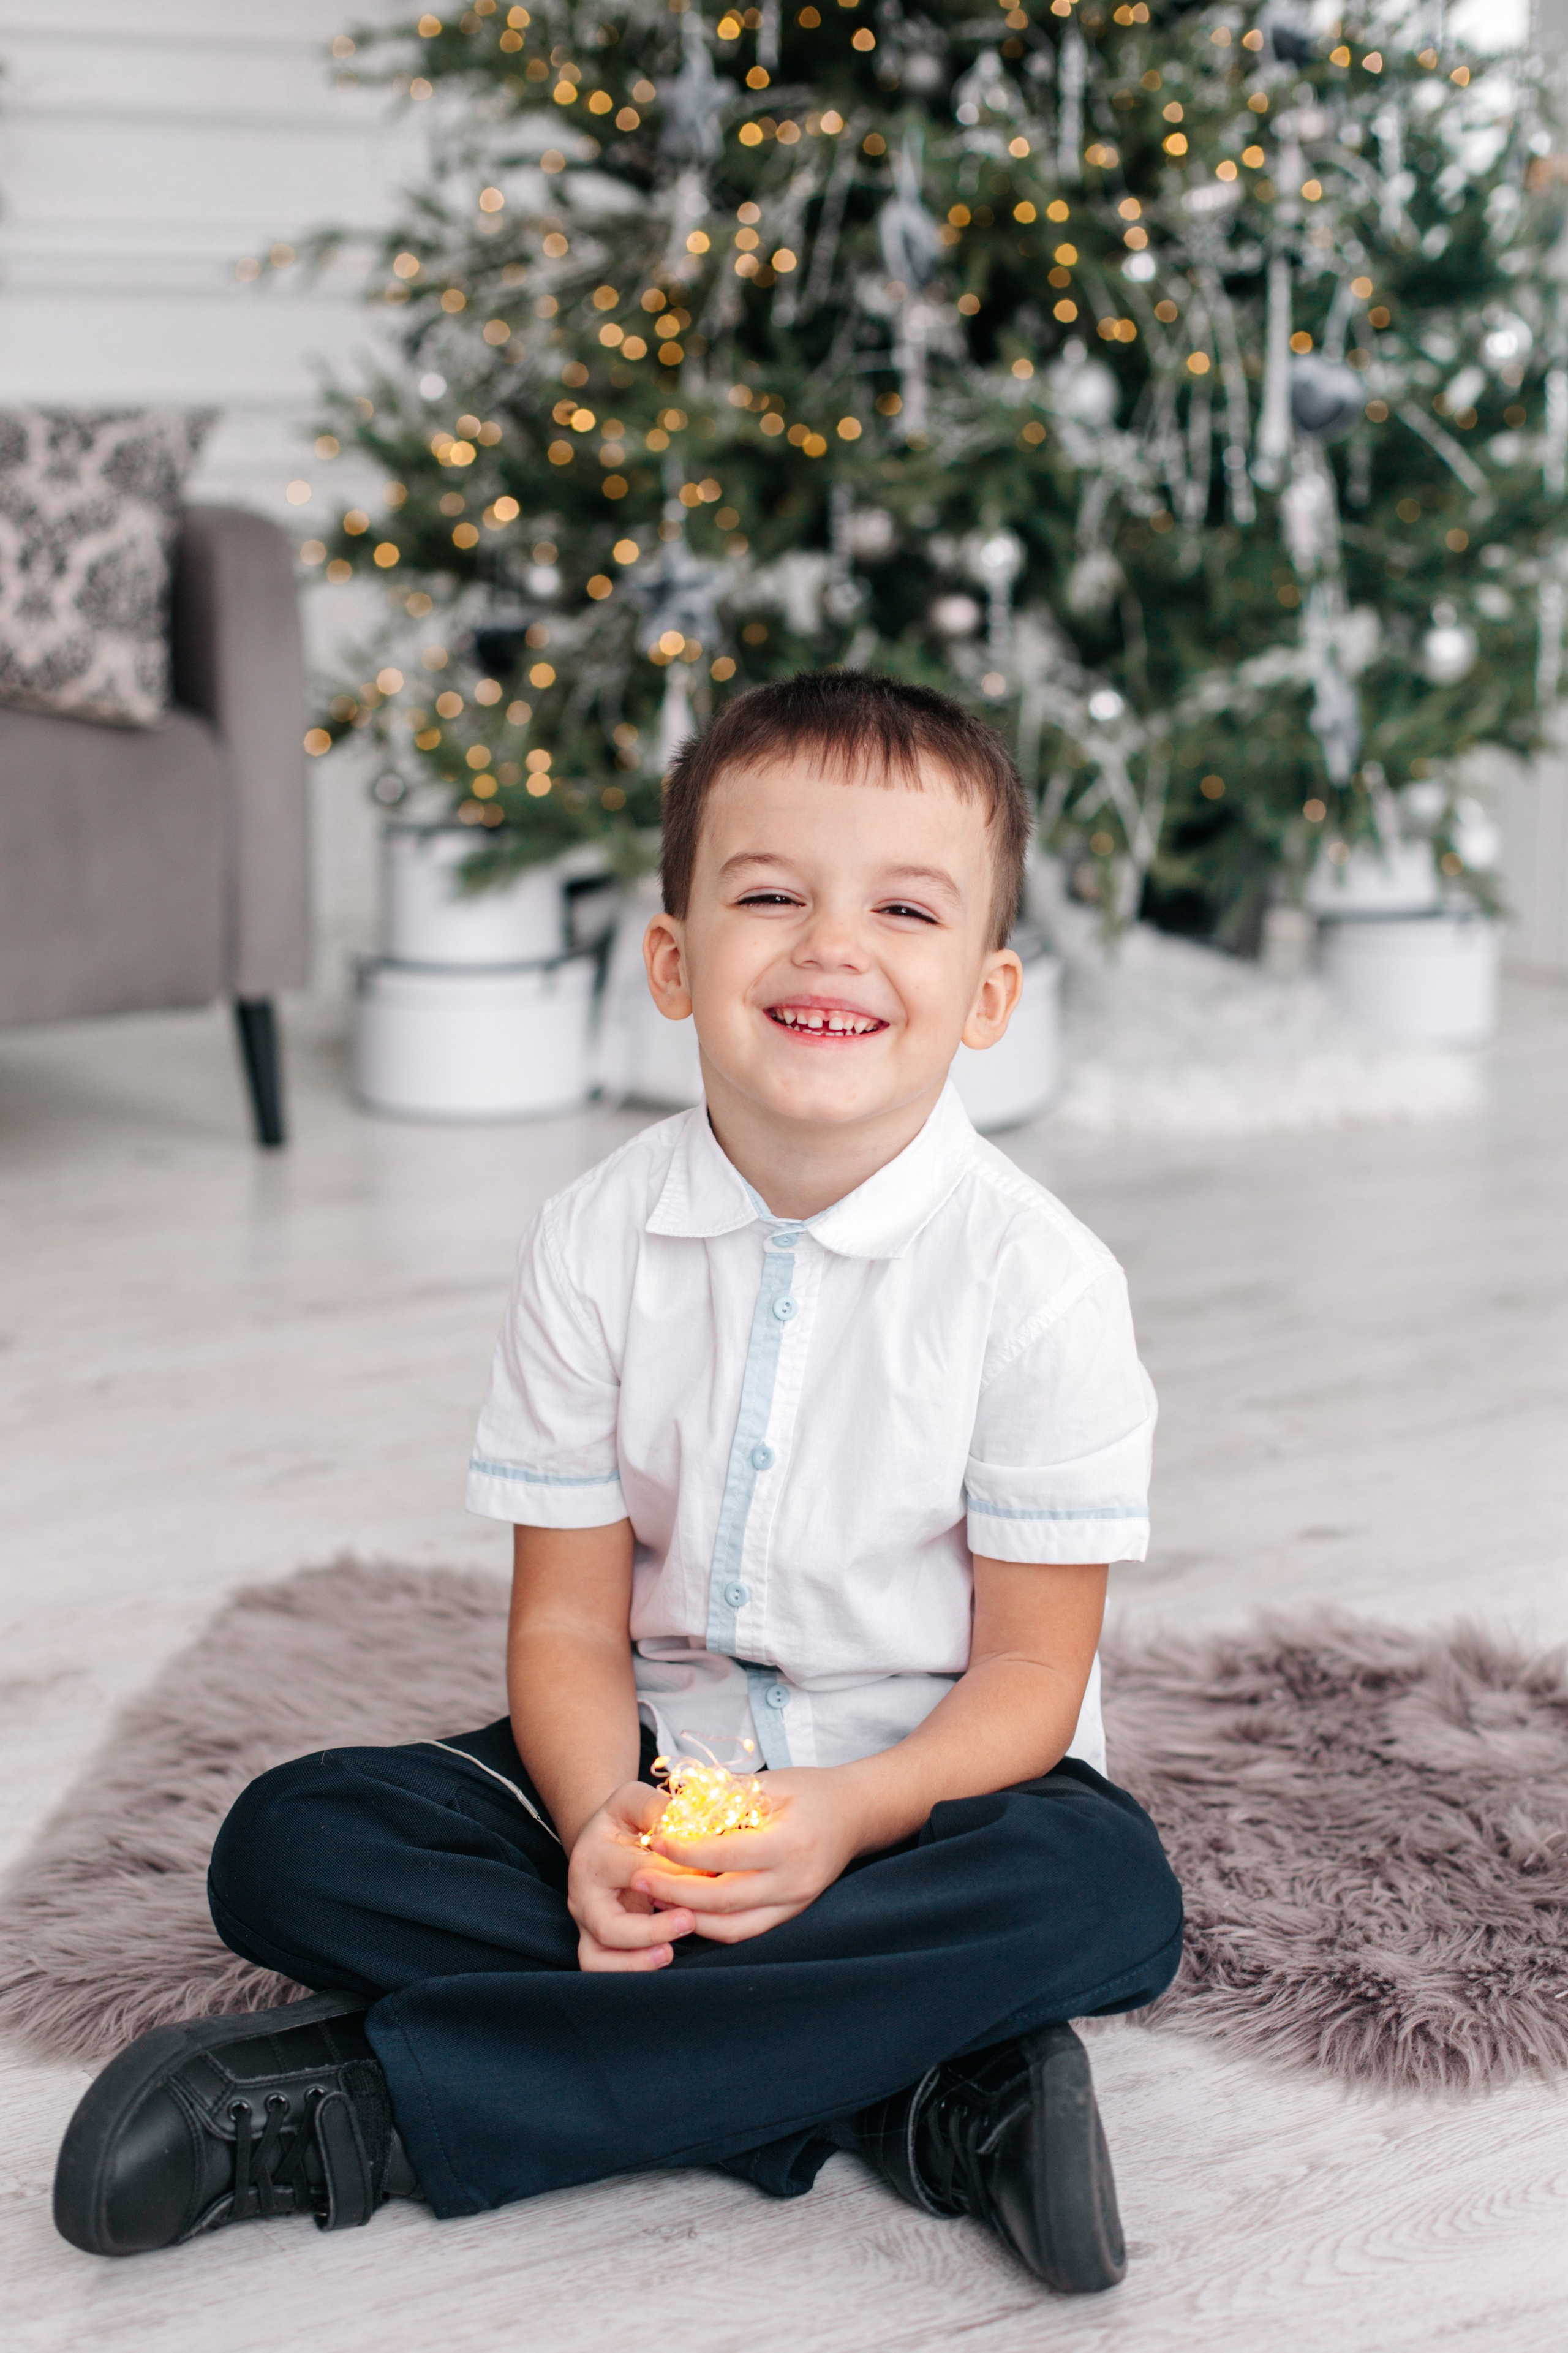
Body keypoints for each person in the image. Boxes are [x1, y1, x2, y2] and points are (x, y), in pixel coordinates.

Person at [53, 673, 1182, 2291]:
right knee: (291, 1844)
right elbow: (569, 1629)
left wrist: (847, 1812)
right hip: (661, 1768)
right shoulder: (594, 1239)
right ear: (674, 959)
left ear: (988, 994)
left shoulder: (1043, 1284)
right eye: (771, 894)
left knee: (1109, 1891)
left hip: (932, 1803)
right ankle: (926, 2074)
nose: (831, 944)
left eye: (906, 908)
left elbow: (1028, 1671)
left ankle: (374, 2105)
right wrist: (597, 1822)